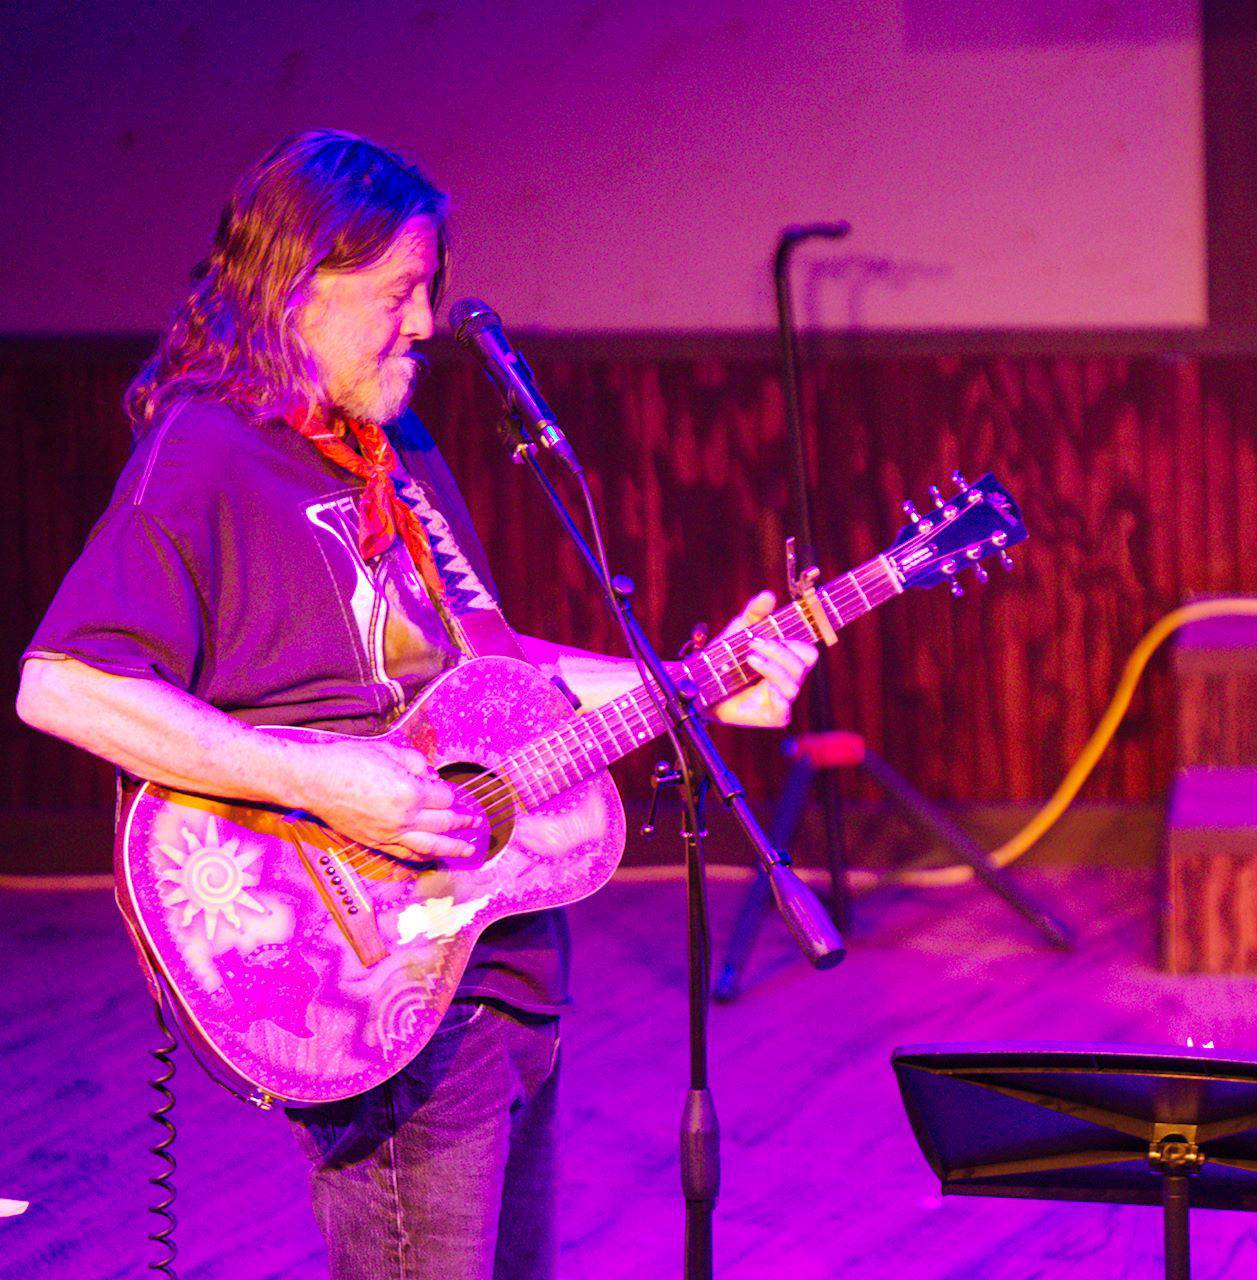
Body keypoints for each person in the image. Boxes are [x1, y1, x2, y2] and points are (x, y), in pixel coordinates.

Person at [15, 130, 819, 1278]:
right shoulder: (206, 452)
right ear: (296, 289)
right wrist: (315, 775)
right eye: (400, 291)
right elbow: (64, 682)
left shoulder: (400, 450)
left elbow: (491, 668)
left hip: (498, 959)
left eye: (430, 287)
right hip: (366, 965)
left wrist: (696, 682)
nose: (430, 322)